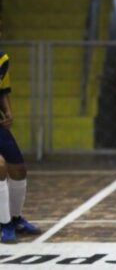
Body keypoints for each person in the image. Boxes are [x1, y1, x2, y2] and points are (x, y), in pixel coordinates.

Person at [0, 51, 41, 243]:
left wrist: (7, 111)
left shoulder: (2, 59)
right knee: (0, 166)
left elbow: (2, 90)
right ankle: (4, 224)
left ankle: (15, 219)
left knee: (19, 169)